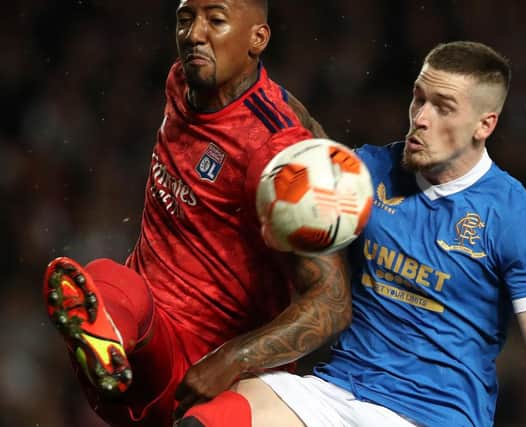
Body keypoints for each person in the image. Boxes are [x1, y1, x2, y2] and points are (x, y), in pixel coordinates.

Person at [222, 41, 526, 427]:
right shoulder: (370, 171)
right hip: (335, 392)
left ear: (485, 124)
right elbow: (308, 140)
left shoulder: (513, 215)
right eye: (418, 99)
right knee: (216, 414)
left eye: (443, 107)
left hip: (433, 416)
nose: (421, 118)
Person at [42, 1, 351, 426]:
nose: (193, 34)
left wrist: (231, 360)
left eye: (216, 20)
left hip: (210, 379)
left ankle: (106, 332)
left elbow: (331, 305)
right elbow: (284, 107)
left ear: (257, 39)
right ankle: (103, 338)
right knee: (106, 278)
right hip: (144, 356)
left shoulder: (275, 155)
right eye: (185, 20)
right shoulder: (183, 80)